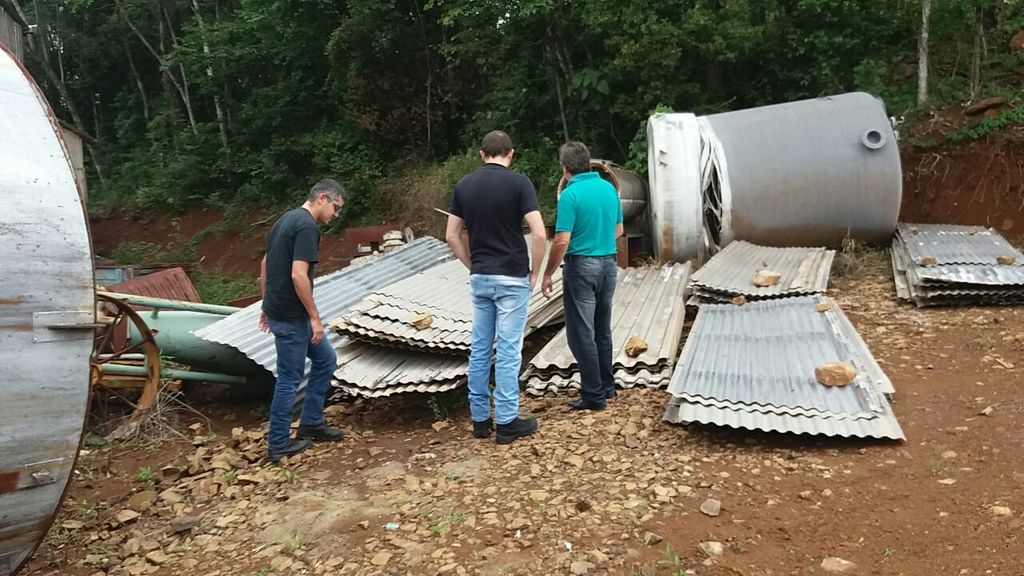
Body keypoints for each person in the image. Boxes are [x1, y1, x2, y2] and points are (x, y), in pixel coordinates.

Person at [446, 130, 547, 445]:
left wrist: (472, 265)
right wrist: (534, 272)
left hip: (481, 277)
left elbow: (452, 235)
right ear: (511, 153)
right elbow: (540, 233)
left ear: (481, 154)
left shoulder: (464, 185)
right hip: (512, 277)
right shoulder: (520, 184)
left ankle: (479, 419)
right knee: (507, 350)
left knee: (479, 349)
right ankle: (506, 422)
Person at [259, 179, 347, 462]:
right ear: (322, 198)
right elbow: (299, 275)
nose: (335, 215)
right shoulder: (307, 226)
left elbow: (265, 264)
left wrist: (265, 303)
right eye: (335, 208)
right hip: (292, 316)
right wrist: (315, 318)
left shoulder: (285, 219)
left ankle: (310, 423)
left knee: (325, 360)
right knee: (289, 379)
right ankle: (279, 444)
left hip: (282, 310)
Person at [541, 142, 623, 410]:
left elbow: (562, 240)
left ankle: (593, 395)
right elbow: (619, 230)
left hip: (581, 266)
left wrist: (548, 273)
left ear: (565, 169)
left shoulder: (569, 195)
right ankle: (607, 386)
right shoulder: (609, 189)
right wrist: (599, 244)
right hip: (609, 265)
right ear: (588, 163)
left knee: (581, 332)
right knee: (602, 328)